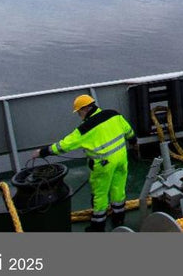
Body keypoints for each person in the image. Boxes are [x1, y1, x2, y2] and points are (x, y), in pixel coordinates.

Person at [34, 95, 136, 232]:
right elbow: (129, 131)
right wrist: (134, 142)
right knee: (118, 189)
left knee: (100, 195)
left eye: (79, 112)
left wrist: (43, 152)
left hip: (103, 166)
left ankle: (98, 226)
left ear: (86, 108)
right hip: (122, 159)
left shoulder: (85, 129)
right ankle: (119, 218)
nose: (79, 115)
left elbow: (64, 145)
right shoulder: (113, 114)